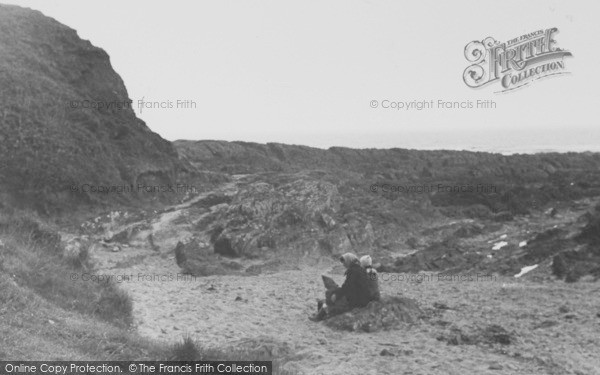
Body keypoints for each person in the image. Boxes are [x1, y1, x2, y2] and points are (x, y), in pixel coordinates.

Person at [310, 252, 371, 321]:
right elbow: (349, 286)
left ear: (349, 260)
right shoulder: (358, 269)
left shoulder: (353, 271)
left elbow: (347, 287)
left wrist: (337, 295)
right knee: (331, 296)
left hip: (357, 301)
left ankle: (319, 317)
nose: (343, 264)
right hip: (362, 299)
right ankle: (320, 315)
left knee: (330, 300)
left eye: (344, 262)